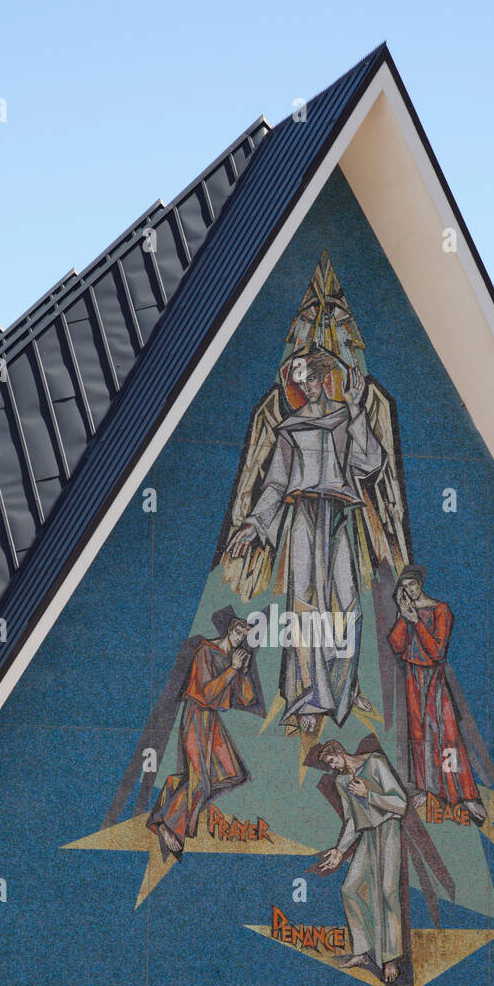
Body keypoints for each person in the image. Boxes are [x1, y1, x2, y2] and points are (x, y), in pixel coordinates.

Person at [228, 350, 383, 732]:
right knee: (304, 607)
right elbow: (277, 483)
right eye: (299, 382)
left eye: (311, 379)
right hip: (302, 516)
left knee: (347, 604)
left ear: (326, 377)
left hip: (340, 514)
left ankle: (342, 687)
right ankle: (310, 695)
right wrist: (254, 523)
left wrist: (356, 408)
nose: (306, 387)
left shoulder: (347, 417)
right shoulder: (290, 427)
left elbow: (370, 464)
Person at [388, 566, 494, 825]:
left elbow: (437, 651)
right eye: (405, 587)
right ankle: (429, 788)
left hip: (434, 678)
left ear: (420, 584)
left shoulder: (441, 610)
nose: (410, 591)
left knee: (447, 735)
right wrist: (404, 617)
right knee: (418, 734)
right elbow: (396, 644)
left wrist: (416, 622)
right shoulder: (409, 612)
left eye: (412, 585)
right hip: (413, 677)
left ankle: (466, 794)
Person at [146, 612, 259, 857]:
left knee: (232, 773)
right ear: (230, 630)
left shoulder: (233, 658)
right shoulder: (205, 651)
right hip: (197, 715)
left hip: (212, 721)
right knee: (202, 780)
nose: (240, 639)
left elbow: (247, 698)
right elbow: (206, 694)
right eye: (238, 632)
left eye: (245, 635)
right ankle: (164, 824)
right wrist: (232, 670)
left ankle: (173, 790)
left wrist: (243, 671)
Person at [318, 739, 407, 983]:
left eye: (332, 760)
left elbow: (400, 804)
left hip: (388, 831)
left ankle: (390, 959)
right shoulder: (342, 781)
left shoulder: (375, 762)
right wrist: (339, 850)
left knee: (387, 893)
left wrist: (369, 794)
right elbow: (351, 821)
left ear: (340, 752)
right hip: (368, 835)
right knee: (350, 889)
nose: (333, 767)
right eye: (329, 764)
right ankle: (363, 950)